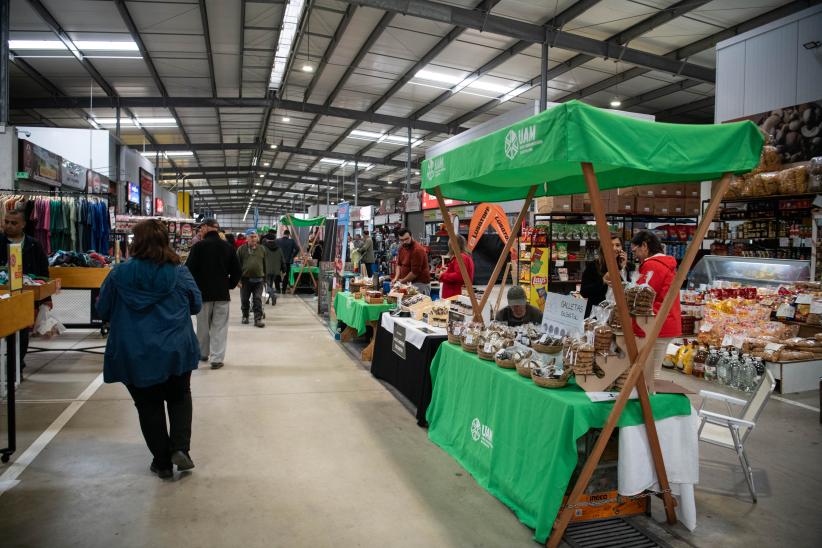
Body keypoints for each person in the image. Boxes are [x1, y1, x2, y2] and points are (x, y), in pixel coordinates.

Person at [95, 219, 201, 479]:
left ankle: (162, 461)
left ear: (136, 242)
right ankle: (180, 449)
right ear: (166, 240)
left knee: (148, 404)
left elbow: (102, 309)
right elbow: (196, 304)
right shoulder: (179, 272)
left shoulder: (118, 274)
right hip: (176, 347)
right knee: (179, 396)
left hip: (135, 349)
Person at [185, 219, 241, 370]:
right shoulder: (228, 247)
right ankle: (217, 358)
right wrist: (229, 285)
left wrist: (192, 289)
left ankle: (203, 353)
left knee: (202, 326)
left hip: (202, 294)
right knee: (220, 326)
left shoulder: (198, 247)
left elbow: (188, 270)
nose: (200, 231)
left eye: (201, 228)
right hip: (222, 294)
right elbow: (237, 270)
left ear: (206, 227)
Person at [630, 230, 682, 386]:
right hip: (667, 321)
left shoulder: (653, 266)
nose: (635, 255)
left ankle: (648, 406)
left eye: (635, 250)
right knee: (653, 371)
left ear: (644, 246)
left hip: (655, 323)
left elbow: (641, 296)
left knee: (649, 374)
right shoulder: (666, 264)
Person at [0, 207, 50, 370]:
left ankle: (16, 365)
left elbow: (43, 271)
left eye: (13, 223)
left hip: (26, 294)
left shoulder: (34, 245)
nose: (8, 226)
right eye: (6, 222)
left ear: (22, 224)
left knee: (21, 330)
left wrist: (45, 299)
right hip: (3, 293)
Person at [580, 235, 628, 317]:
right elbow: (584, 292)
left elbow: (629, 292)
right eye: (610, 245)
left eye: (617, 245)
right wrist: (602, 281)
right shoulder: (594, 266)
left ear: (622, 248)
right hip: (596, 315)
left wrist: (623, 269)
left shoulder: (627, 267)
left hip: (618, 316)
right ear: (603, 247)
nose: (614, 248)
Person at [237, 230, 267, 327]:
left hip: (259, 280)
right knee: (245, 299)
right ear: (247, 238)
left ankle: (257, 319)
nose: (254, 238)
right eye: (251, 236)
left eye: (255, 236)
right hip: (245, 280)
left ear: (257, 238)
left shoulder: (262, 249)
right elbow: (237, 266)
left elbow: (265, 264)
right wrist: (238, 280)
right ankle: (245, 316)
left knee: (257, 299)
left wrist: (265, 278)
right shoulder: (241, 249)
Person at [392, 227, 431, 295]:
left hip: (419, 284)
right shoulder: (402, 248)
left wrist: (401, 282)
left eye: (406, 239)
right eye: (401, 240)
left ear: (411, 236)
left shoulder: (417, 250)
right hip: (407, 283)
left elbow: (415, 273)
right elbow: (399, 264)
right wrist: (396, 278)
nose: (404, 242)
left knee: (419, 305)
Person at [438, 234, 474, 299]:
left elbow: (459, 276)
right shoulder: (465, 256)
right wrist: (448, 270)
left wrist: (442, 275)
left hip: (454, 294)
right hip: (456, 293)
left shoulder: (461, 257)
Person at [261, 229, 284, 304]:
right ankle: (267, 300)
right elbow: (282, 260)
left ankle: (273, 296)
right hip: (276, 270)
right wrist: (284, 270)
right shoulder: (279, 248)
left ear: (267, 239)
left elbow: (261, 259)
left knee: (266, 285)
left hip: (266, 269)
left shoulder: (263, 248)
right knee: (270, 285)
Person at [276, 229, 297, 294]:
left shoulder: (277, 241)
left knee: (277, 275)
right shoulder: (292, 241)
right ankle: (284, 290)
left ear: (283, 234)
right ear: (288, 235)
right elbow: (297, 249)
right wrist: (293, 255)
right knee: (286, 276)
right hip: (288, 261)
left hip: (278, 261)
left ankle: (278, 289)